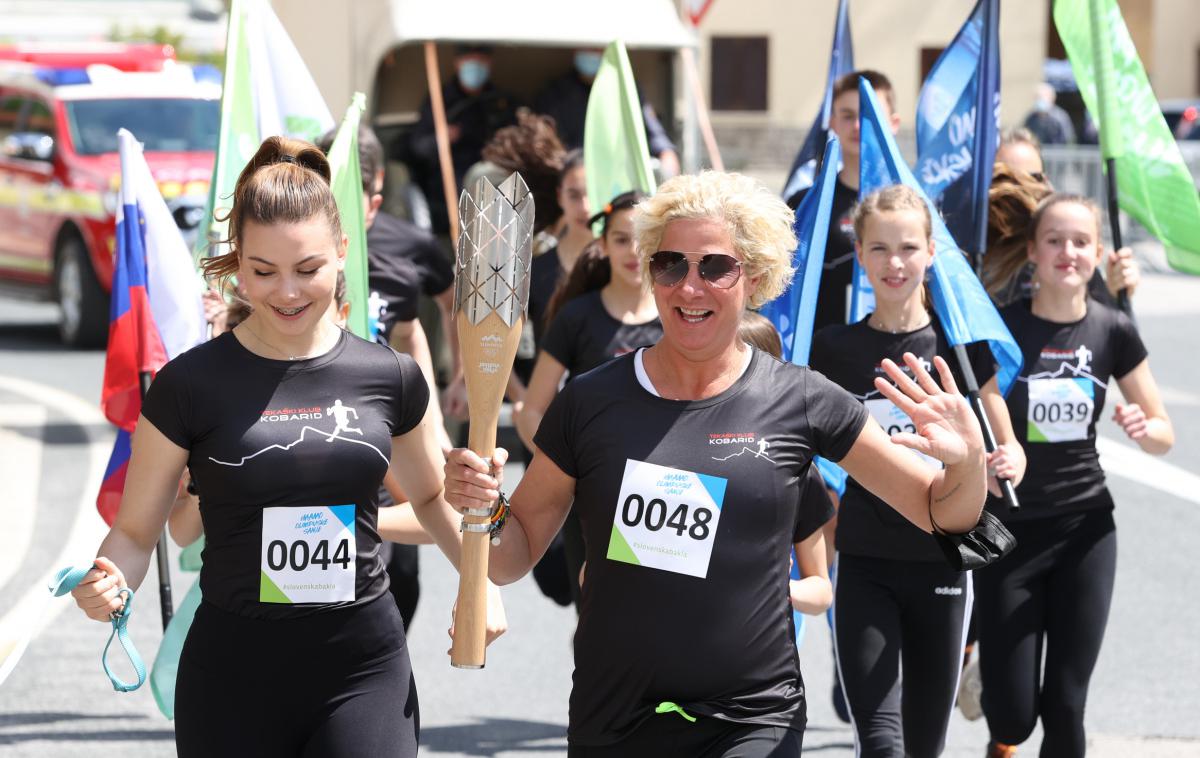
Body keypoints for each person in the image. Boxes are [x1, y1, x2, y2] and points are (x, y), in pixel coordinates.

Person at [444, 171, 993, 756]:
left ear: (754, 276)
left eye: (715, 267)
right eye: (670, 265)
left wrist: (968, 462)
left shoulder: (802, 399)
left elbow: (943, 512)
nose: (689, 287)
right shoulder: (590, 400)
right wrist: (485, 509)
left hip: (753, 715)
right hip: (615, 715)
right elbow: (512, 554)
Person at [68, 137, 492, 757]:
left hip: (362, 669)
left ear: (344, 254)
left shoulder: (391, 375)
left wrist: (481, 584)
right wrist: (108, 581)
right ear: (238, 264)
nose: (287, 292)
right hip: (232, 676)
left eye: (308, 269)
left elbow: (430, 498)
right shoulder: (189, 385)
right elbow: (136, 533)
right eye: (263, 272)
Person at [809, 185, 1025, 758]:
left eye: (908, 247)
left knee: (924, 747)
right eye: (879, 249)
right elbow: (806, 444)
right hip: (864, 563)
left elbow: (996, 418)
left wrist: (1008, 451)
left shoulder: (957, 345)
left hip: (944, 562)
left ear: (931, 251)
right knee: (880, 743)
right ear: (859, 255)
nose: (895, 262)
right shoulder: (831, 349)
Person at [976, 194, 1173, 758]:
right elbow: (977, 411)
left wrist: (1143, 426)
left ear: (1099, 254)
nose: (1069, 251)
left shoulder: (1112, 329)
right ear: (1034, 251)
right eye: (1056, 240)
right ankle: (997, 705)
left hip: (1084, 528)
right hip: (1003, 530)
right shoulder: (1001, 330)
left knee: (1066, 703)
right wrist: (997, 450)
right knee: (1011, 717)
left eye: (1081, 241)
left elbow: (1164, 433)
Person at [514, 191, 660, 610]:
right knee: (597, 615)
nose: (632, 251)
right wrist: (561, 470)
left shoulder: (679, 315)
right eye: (619, 239)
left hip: (662, 495)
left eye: (642, 239)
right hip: (591, 497)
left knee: (663, 619)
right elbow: (533, 410)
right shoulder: (577, 317)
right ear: (602, 244)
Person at [786, 70, 901, 334]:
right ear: (833, 123)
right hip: (822, 355)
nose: (858, 125)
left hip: (895, 354)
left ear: (893, 124)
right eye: (848, 116)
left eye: (869, 115)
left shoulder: (914, 206)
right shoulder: (806, 203)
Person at [402, 45, 518, 234]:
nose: (475, 67)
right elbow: (418, 148)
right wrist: (442, 138)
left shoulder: (499, 100)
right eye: (469, 60)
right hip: (448, 188)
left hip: (492, 185)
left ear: (489, 63)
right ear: (457, 63)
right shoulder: (439, 101)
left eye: (480, 60)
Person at [534, 47, 680, 178]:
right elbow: (545, 146)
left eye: (597, 47)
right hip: (575, 178)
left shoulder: (627, 89)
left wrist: (667, 159)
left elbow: (656, 138)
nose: (592, 52)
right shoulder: (556, 94)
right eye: (587, 46)